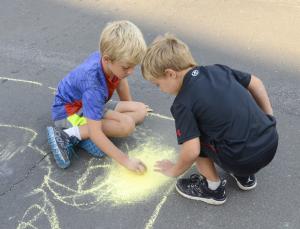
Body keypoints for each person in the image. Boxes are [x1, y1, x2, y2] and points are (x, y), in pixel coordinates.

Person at [141, 34, 278, 205]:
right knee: (226, 117)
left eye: (157, 84)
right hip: (270, 140)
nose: (160, 89)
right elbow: (256, 83)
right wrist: (269, 116)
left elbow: (191, 151)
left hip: (241, 159)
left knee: (193, 137)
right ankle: (245, 177)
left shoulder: (182, 103)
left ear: (170, 74)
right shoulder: (217, 69)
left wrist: (174, 170)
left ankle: (212, 188)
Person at [47, 20, 150, 174]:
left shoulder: (108, 62)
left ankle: (85, 133)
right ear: (107, 59)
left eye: (133, 66)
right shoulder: (93, 86)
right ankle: (68, 135)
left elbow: (120, 81)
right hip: (69, 113)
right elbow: (97, 132)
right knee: (126, 125)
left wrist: (128, 105)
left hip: (89, 103)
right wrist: (126, 161)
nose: (131, 71)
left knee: (140, 110)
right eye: (126, 67)